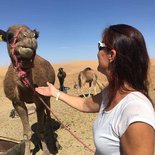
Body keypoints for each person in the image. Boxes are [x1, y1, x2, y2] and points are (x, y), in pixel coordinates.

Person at [35, 24, 155, 155]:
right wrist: (55, 93)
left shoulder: (136, 111)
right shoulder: (111, 93)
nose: (97, 53)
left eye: (100, 46)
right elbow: (85, 104)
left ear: (111, 55)